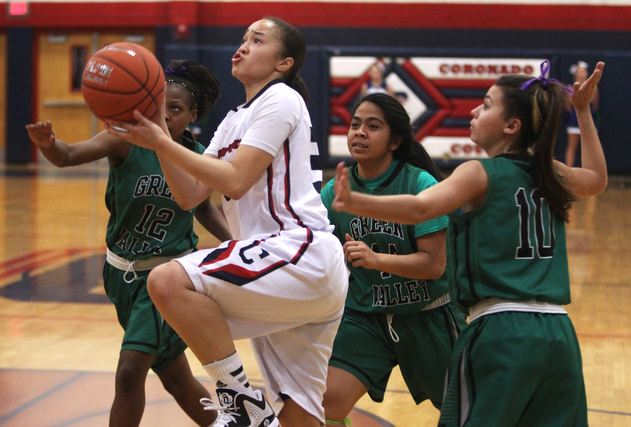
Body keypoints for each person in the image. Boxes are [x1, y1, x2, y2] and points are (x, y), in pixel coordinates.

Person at [332, 60, 607, 426]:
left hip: (501, 329)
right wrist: (584, 112)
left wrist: (355, 202)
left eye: (487, 104)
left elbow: (420, 208)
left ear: (511, 126)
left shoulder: (479, 172)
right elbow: (597, 179)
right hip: (558, 332)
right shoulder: (548, 171)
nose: (475, 110)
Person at [105, 17, 349, 427]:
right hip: (285, 272)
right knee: (299, 413)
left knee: (167, 281)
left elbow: (236, 179)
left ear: (283, 63)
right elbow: (190, 195)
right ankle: (250, 408)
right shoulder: (235, 119)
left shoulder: (282, 99)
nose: (243, 46)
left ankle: (240, 405)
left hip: (298, 250)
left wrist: (162, 142)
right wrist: (160, 135)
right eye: (243, 38)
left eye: (257, 40)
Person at [26, 59, 232, 427]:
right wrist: (49, 144)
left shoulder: (199, 157)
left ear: (193, 115)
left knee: (129, 372)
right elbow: (69, 156)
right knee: (177, 380)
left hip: (167, 280)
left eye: (177, 109)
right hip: (120, 275)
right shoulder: (124, 140)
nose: (166, 116)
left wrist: (240, 245)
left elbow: (203, 209)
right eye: (160, 106)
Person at [320, 93, 467, 426]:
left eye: (373, 126)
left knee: (466, 411)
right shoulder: (334, 192)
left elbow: (434, 265)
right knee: (327, 400)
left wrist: (375, 260)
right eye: (355, 124)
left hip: (428, 317)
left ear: (395, 141)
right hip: (366, 317)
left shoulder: (420, 183)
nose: (359, 132)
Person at [565, 60, 599, 167]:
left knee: (591, 148)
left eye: (584, 71)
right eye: (580, 71)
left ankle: (591, 170)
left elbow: (595, 105)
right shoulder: (570, 89)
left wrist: (586, 113)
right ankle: (569, 170)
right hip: (574, 120)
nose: (582, 73)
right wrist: (577, 112)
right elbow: (568, 106)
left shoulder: (593, 88)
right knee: (572, 146)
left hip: (589, 119)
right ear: (576, 74)